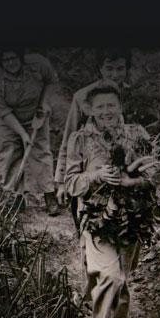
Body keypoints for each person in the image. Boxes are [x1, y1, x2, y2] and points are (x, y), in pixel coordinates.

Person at [64, 84, 155, 318]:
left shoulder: (137, 134)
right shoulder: (79, 140)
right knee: (110, 275)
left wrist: (131, 181)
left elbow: (154, 176)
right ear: (90, 110)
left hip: (133, 217)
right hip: (96, 219)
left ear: (120, 107)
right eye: (100, 106)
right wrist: (96, 176)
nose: (107, 111)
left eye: (111, 105)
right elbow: (70, 184)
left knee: (122, 278)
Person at [55, 48, 134, 209]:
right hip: (91, 164)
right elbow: (69, 138)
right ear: (100, 69)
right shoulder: (83, 97)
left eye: (120, 68)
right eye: (109, 69)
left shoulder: (132, 95)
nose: (115, 74)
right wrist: (61, 181)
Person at [0, 48, 60, 215]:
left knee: (41, 151)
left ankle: (49, 194)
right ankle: (15, 196)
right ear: (0, 62)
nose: (11, 63)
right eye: (6, 60)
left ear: (21, 57)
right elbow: (3, 113)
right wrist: (23, 134)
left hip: (36, 111)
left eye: (14, 58)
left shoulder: (38, 64)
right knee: (10, 151)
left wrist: (44, 104)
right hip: (7, 119)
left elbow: (52, 81)